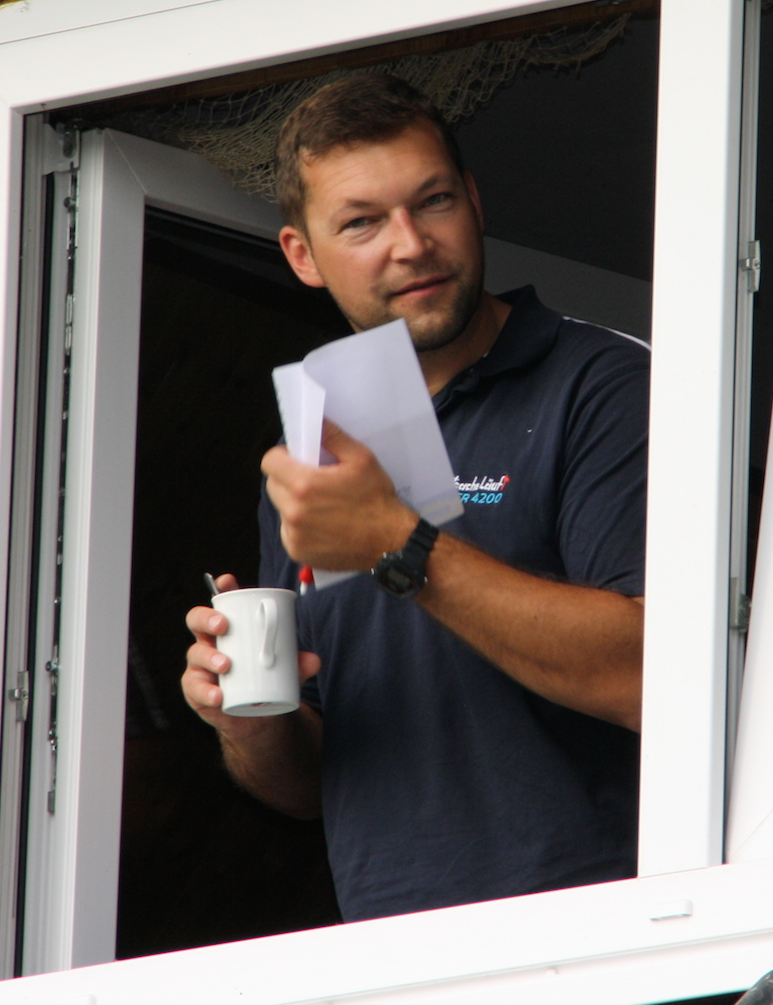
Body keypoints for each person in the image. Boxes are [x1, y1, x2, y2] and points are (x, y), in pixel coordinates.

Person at [179, 72, 650, 922]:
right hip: (392, 950)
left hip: (599, 933)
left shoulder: (602, 383)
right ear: (301, 256)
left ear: (474, 200)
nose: (411, 244)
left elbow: (651, 675)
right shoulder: (312, 447)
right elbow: (308, 785)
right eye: (361, 222)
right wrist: (246, 722)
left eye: (433, 201)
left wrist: (401, 544)